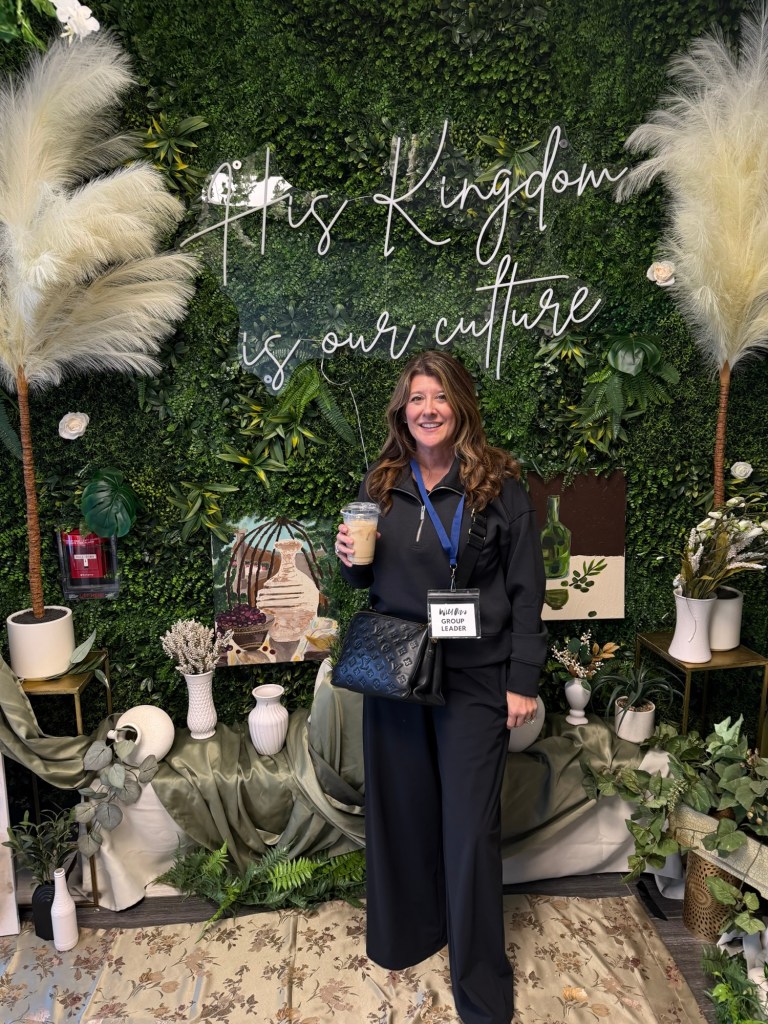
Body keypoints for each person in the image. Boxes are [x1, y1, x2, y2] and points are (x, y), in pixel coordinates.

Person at [335, 350, 547, 1024]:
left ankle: (480, 984)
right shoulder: (383, 482)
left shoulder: (500, 486)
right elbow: (368, 578)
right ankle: (411, 935)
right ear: (403, 411)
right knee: (402, 812)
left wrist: (522, 679)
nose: (428, 410)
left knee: (470, 830)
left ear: (461, 407)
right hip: (397, 671)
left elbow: (527, 589)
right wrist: (348, 562)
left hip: (476, 676)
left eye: (441, 397)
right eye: (417, 398)